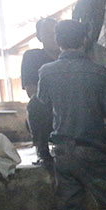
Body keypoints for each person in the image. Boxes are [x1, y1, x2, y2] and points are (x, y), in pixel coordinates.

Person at [36, 20, 106, 210]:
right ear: (85, 40)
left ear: (58, 41)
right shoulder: (98, 72)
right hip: (93, 150)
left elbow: (41, 105)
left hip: (62, 153)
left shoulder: (46, 72)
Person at [21, 18, 59, 166]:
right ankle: (42, 150)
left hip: (73, 108)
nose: (53, 37)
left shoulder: (72, 57)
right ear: (39, 37)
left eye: (55, 33)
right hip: (50, 110)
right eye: (47, 33)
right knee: (35, 103)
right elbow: (31, 91)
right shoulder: (32, 57)